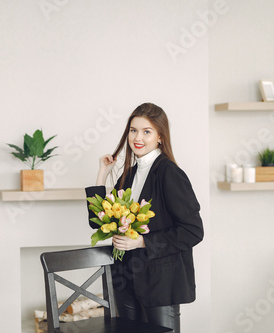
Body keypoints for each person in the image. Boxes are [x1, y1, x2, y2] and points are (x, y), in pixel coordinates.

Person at [85, 102, 203, 333]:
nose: (137, 137)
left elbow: (193, 230)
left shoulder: (169, 173)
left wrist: (141, 241)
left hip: (160, 284)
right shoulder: (129, 174)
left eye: (146, 131)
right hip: (125, 281)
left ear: (160, 136)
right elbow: (97, 222)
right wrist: (102, 174)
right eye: (133, 130)